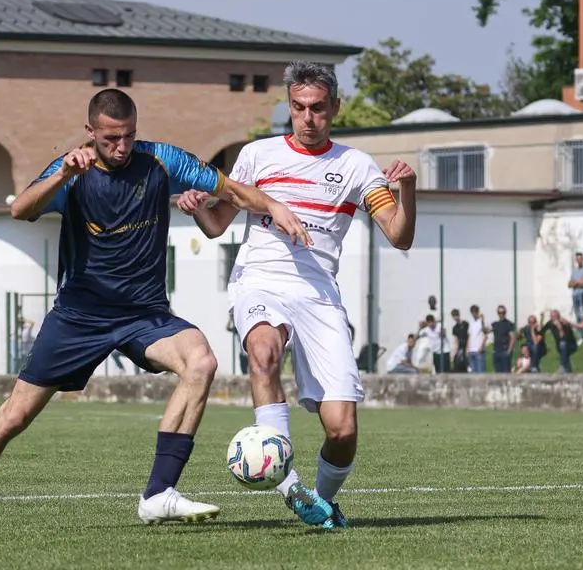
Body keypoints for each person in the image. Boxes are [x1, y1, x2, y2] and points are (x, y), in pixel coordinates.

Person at [0, 88, 309, 535]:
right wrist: (61, 175)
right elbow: (22, 209)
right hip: (79, 318)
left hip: (145, 315)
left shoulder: (160, 160)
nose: (121, 147)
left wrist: (274, 205)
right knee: (13, 418)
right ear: (90, 133)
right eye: (111, 139)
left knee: (202, 361)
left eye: (129, 136)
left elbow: (230, 189)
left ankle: (158, 494)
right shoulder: (72, 171)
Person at [177, 60, 416, 530]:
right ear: (289, 106)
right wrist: (194, 209)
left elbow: (399, 235)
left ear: (335, 108)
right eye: (299, 108)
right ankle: (285, 480)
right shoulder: (256, 155)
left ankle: (316, 504)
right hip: (260, 279)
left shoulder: (355, 166)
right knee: (263, 352)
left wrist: (407, 190)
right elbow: (217, 224)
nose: (308, 118)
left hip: (319, 295)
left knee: (342, 431)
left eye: (319, 109)